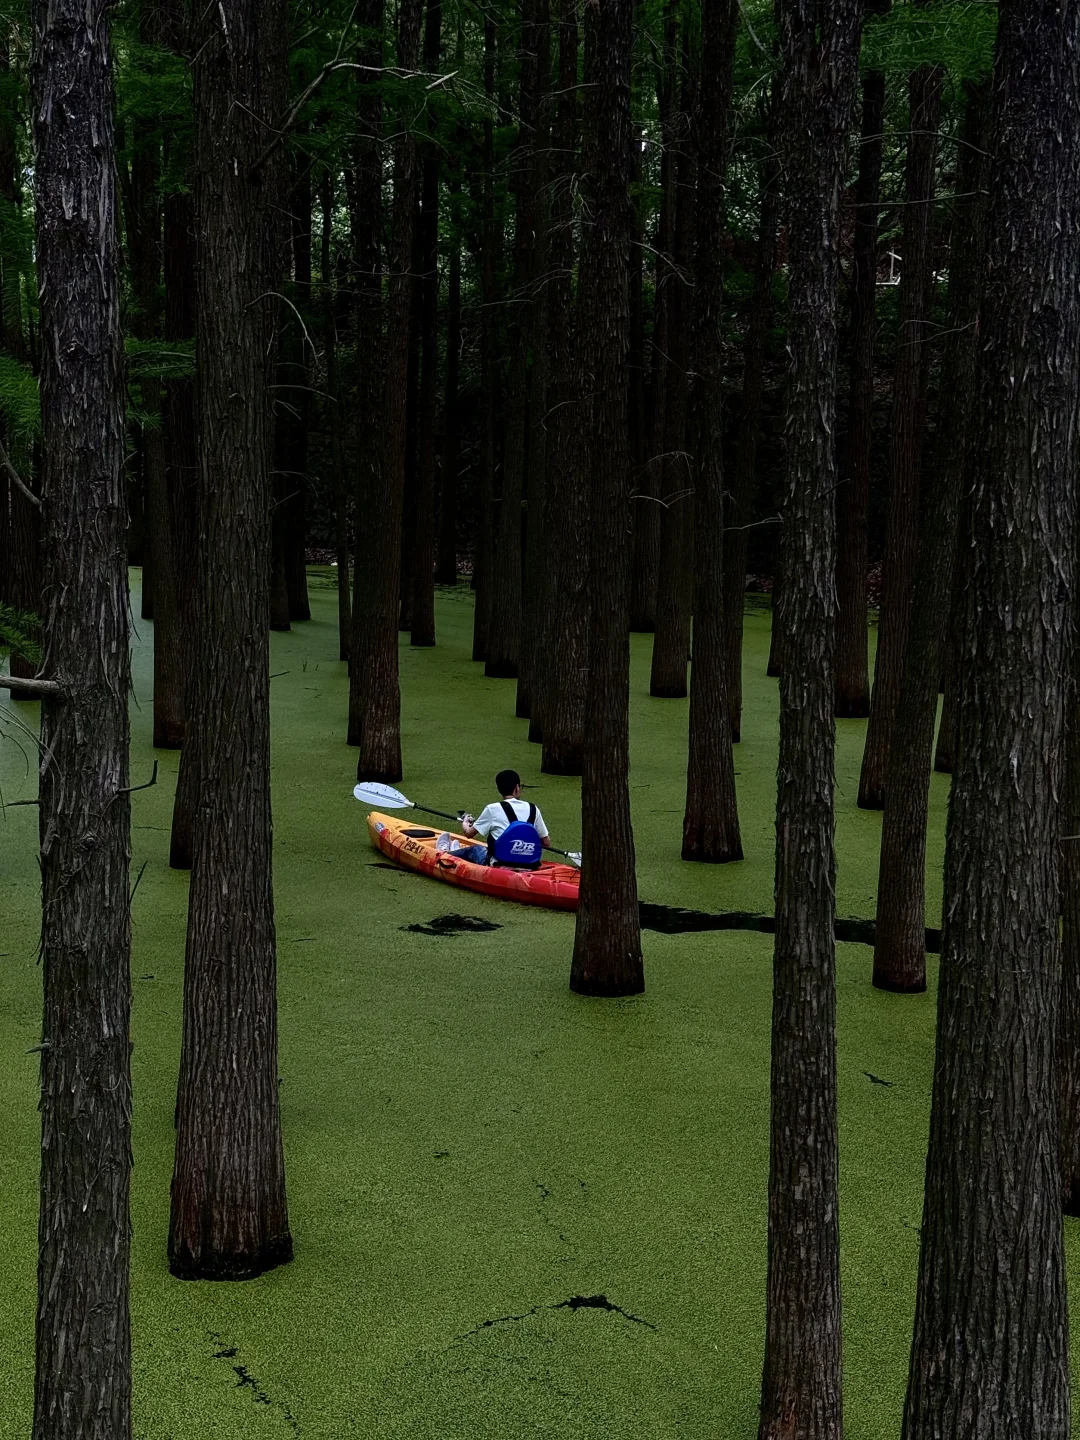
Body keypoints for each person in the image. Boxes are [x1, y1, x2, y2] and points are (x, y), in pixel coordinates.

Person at [436, 769, 551, 866]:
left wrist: (465, 823)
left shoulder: (492, 809)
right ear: (517, 788)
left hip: (499, 864)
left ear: (499, 790)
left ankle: (446, 853)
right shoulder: (533, 809)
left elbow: (469, 834)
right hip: (530, 864)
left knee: (476, 849)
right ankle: (455, 850)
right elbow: (546, 842)